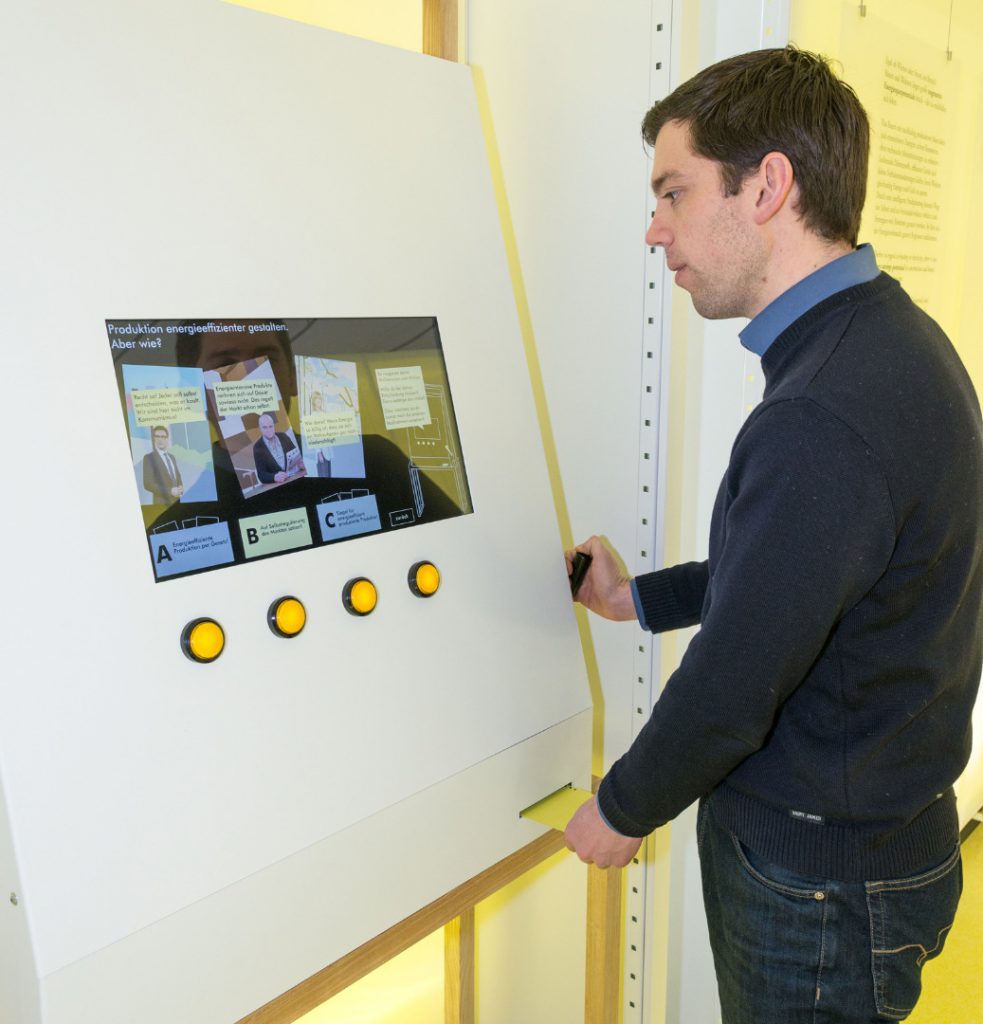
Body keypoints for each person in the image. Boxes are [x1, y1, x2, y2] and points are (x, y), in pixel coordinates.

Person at [564, 46, 982, 1023]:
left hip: (819, 886)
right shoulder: (887, 341)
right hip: (879, 842)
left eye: (672, 193)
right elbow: (791, 576)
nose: (654, 229)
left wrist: (622, 807)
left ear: (766, 187)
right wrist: (636, 599)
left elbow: (734, 677)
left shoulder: (819, 410)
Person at [252, 411, 303, 484]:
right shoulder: (257, 447)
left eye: (270, 426)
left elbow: (296, 455)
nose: (269, 430)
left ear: (274, 426)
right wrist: (274, 477)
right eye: (265, 427)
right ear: (260, 429)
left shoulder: (283, 436)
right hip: (278, 485)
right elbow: (261, 475)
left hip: (295, 477)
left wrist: (301, 463)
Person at [142, 425, 184, 504]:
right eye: (157, 436)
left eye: (163, 437)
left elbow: (178, 476)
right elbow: (148, 484)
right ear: (154, 438)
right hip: (161, 504)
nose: (160, 439)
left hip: (177, 501)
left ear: (167, 439)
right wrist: (170, 491)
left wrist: (180, 486)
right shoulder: (149, 458)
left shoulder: (172, 457)